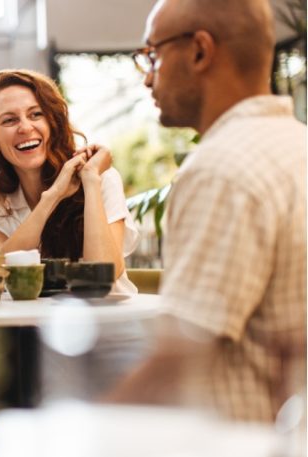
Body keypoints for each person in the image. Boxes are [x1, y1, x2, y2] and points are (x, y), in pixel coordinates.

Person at [108, 0, 306, 422]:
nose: (147, 79)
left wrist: (72, 433)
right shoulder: (297, 147)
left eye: (152, 55)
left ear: (199, 51)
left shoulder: (222, 170)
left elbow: (177, 366)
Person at [0, 69, 139, 294]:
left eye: (36, 114)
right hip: (34, 325)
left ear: (52, 123)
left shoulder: (99, 176)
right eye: (9, 120)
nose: (25, 127)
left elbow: (105, 273)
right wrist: (53, 196)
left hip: (108, 322)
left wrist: (91, 181)